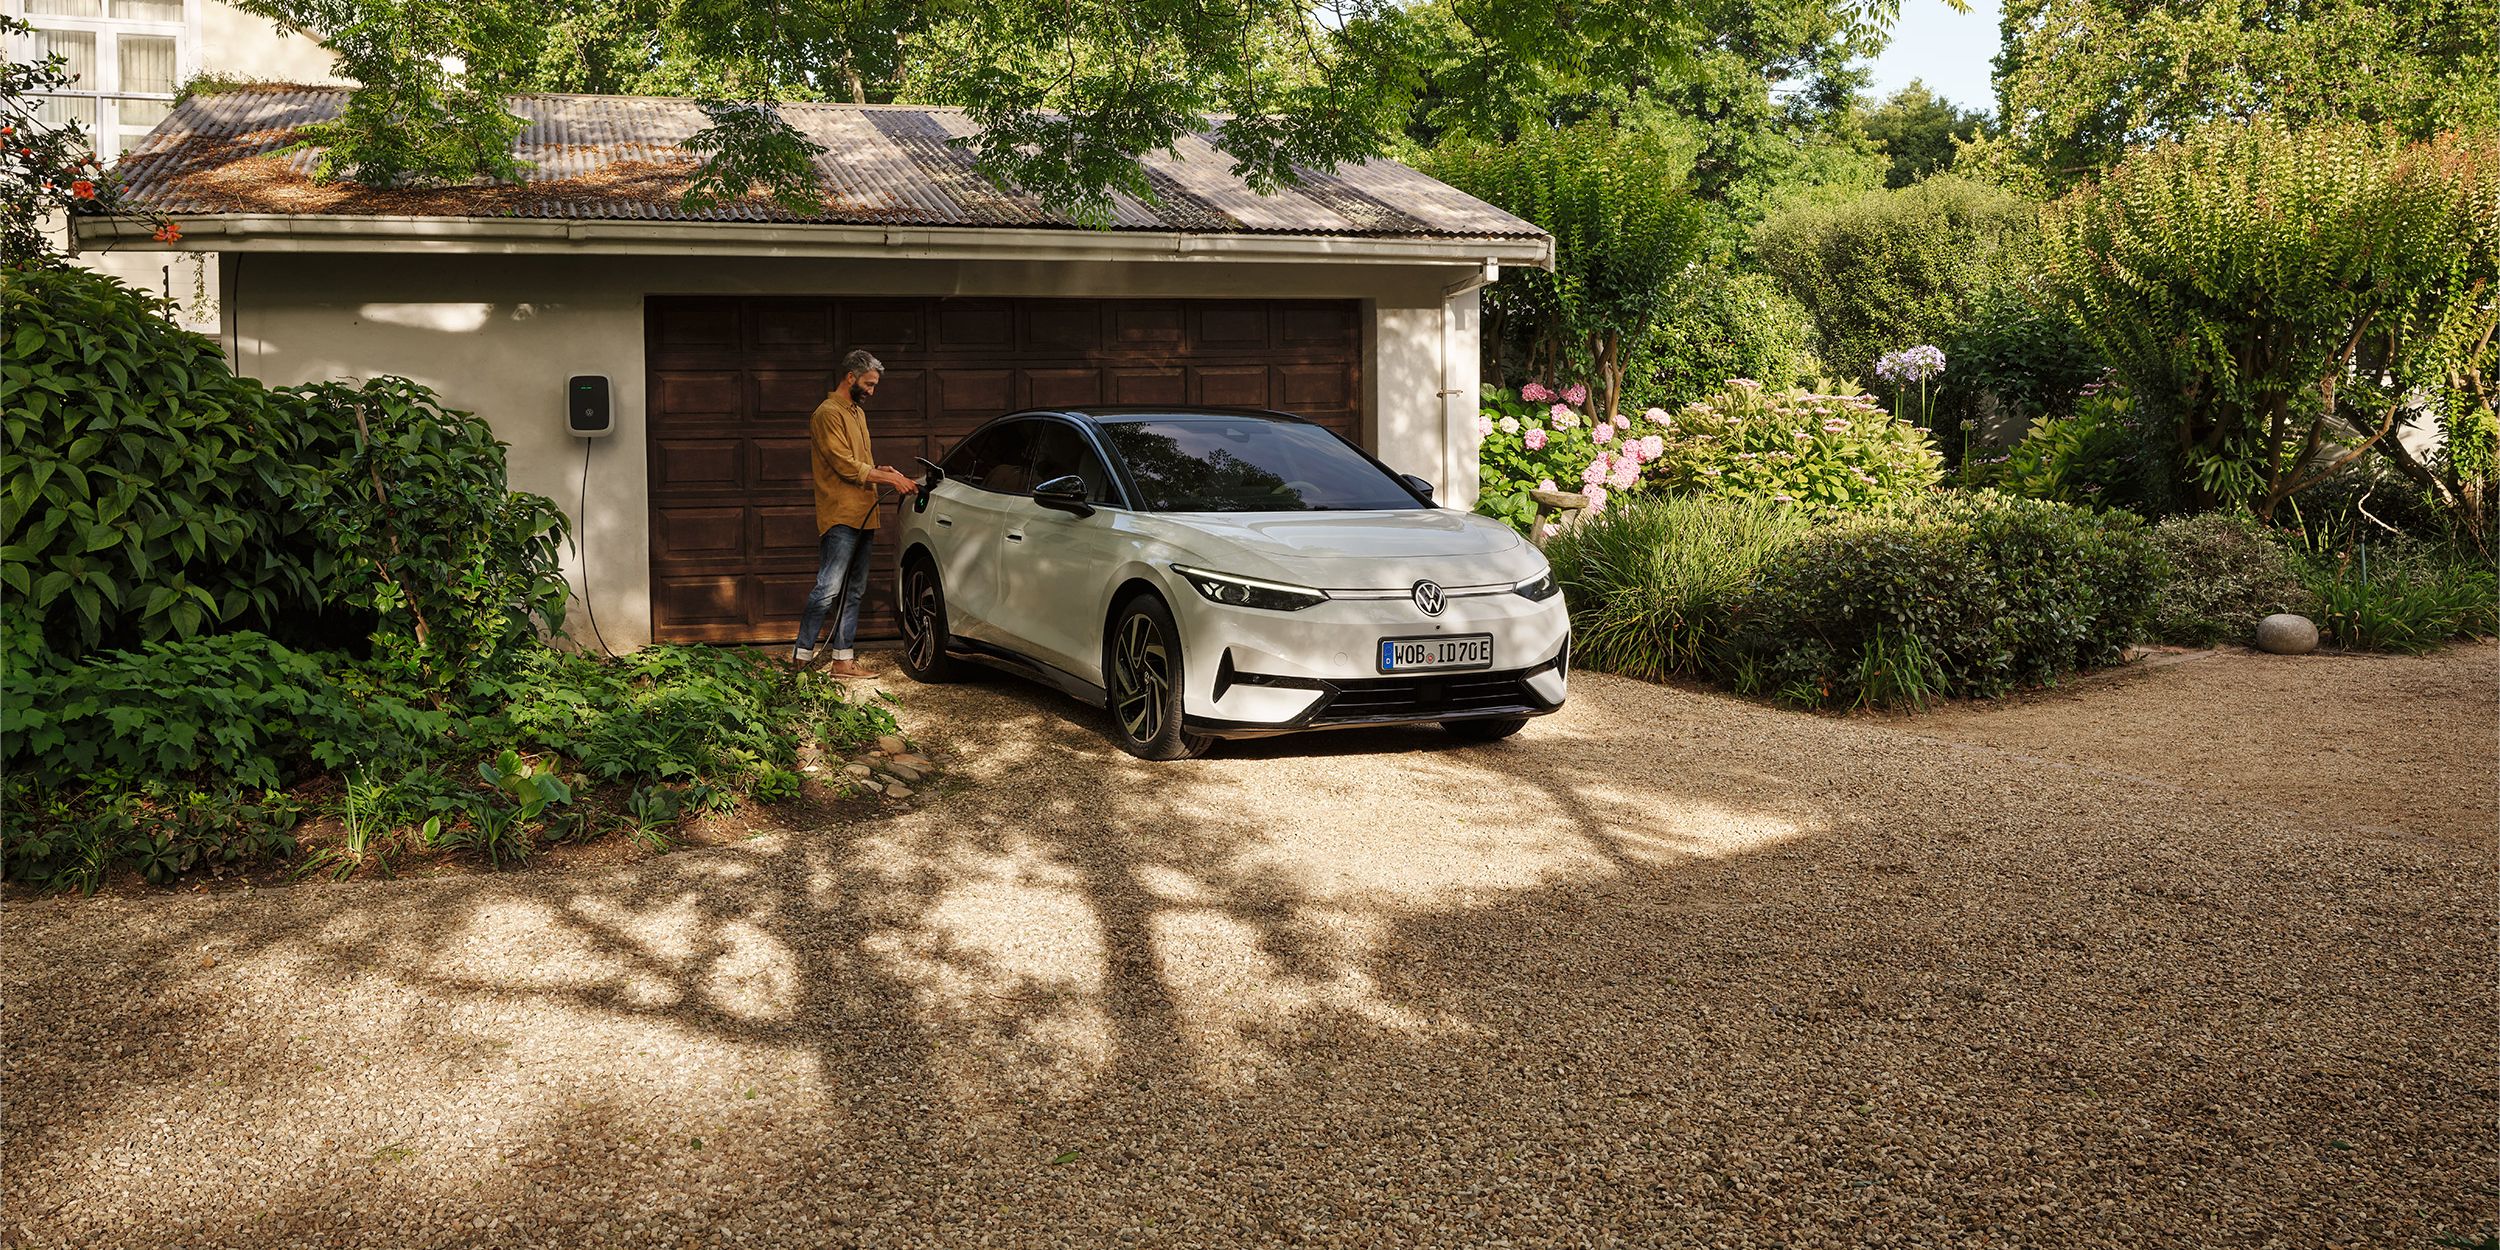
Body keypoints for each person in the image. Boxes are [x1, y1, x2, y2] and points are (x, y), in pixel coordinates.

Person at [793, 349, 919, 677]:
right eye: (869, 384)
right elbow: (844, 465)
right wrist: (891, 478)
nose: (872, 391)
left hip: (865, 512)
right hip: (840, 516)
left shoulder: (857, 412)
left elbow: (860, 462)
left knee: (855, 590)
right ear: (851, 377)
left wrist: (881, 469)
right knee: (828, 588)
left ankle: (842, 660)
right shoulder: (827, 414)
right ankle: (800, 657)